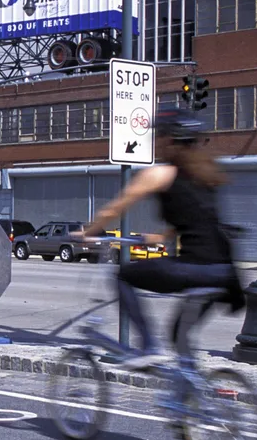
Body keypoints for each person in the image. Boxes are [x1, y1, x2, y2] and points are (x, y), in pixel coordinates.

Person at [76, 107, 244, 372]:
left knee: (123, 276)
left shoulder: (159, 174)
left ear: (170, 140)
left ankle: (148, 346)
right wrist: (161, 236)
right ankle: (195, 400)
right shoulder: (206, 175)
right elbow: (199, 219)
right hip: (224, 274)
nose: (155, 143)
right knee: (179, 336)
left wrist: (88, 232)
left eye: (159, 137)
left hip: (194, 267)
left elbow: (114, 209)